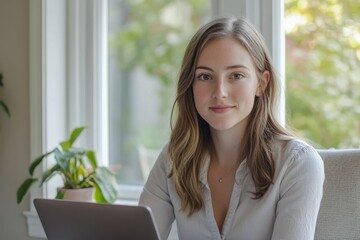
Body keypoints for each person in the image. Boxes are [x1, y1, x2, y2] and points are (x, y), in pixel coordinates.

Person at [139, 16, 324, 240]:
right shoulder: (173, 159)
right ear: (190, 84)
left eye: (236, 76)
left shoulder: (297, 164)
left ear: (261, 83)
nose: (220, 92)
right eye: (205, 76)